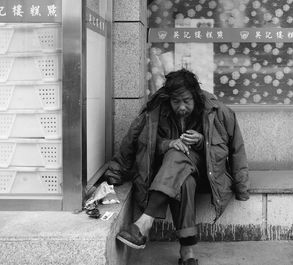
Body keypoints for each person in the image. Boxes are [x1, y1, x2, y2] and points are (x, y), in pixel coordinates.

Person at [103, 69, 249, 265]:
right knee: (183, 178)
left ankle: (144, 223)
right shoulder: (156, 111)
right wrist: (167, 144)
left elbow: (236, 149)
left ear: (196, 96)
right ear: (168, 99)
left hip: (208, 176)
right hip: (168, 175)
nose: (181, 107)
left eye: (186, 101)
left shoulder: (218, 112)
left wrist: (202, 142)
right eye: (176, 102)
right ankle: (187, 251)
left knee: (178, 156)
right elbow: (132, 141)